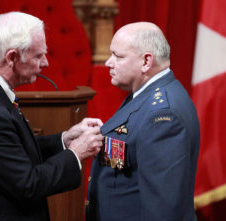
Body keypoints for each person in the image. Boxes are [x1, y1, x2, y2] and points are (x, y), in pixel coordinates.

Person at [0, 12, 103, 221]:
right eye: (38, 56)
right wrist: (76, 152)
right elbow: (28, 185)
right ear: (12, 57)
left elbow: (11, 149)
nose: (46, 63)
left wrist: (64, 139)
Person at [86, 22, 200, 220]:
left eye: (118, 56)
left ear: (146, 61)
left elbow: (163, 210)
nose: (108, 63)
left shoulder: (162, 117)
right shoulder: (147, 95)